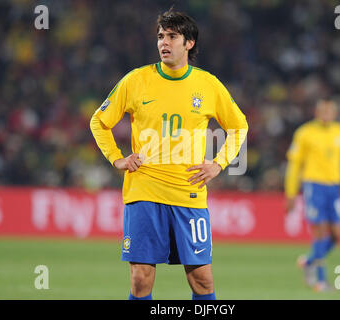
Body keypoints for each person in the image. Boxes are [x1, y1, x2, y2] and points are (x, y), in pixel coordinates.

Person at [90, 9, 248, 300]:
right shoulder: (136, 80)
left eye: (172, 36)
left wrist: (218, 163)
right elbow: (99, 121)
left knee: (202, 280)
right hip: (144, 191)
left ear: (189, 43)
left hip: (188, 193)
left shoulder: (208, 85)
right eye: (161, 36)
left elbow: (239, 126)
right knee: (141, 279)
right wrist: (116, 157)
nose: (164, 42)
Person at [284, 99, 340, 292]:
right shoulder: (305, 133)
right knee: (320, 232)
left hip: (334, 188)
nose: (326, 115)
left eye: (330, 111)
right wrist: (290, 193)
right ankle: (320, 281)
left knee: (337, 234)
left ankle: (309, 260)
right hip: (314, 186)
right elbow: (294, 165)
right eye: (323, 111)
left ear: (335, 113)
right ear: (317, 112)